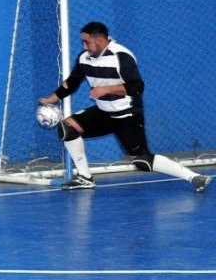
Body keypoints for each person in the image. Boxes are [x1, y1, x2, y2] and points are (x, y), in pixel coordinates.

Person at [39, 21, 211, 192]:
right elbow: (72, 82)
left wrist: (107, 89)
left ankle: (195, 177)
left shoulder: (121, 56)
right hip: (103, 112)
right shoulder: (85, 57)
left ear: (99, 40)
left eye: (86, 42)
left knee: (142, 161)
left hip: (127, 116)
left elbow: (137, 86)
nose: (84, 46)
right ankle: (85, 178)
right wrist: (50, 99)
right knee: (67, 127)